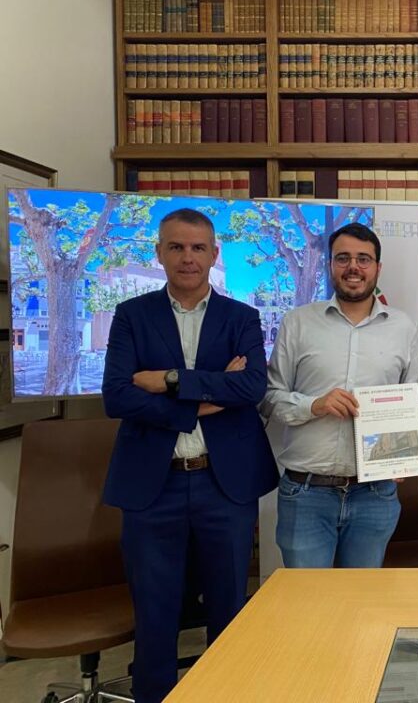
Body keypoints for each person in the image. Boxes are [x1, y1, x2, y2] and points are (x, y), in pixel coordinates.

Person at [102, 208, 278, 703]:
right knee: (155, 611)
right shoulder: (131, 315)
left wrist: (169, 380)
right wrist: (202, 401)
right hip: (151, 485)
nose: (187, 257)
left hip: (224, 485)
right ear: (159, 253)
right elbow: (117, 396)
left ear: (214, 254)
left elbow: (251, 387)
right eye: (176, 247)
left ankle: (227, 695)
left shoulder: (241, 317)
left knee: (229, 608)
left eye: (198, 248)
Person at [261, 223, 418, 568]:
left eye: (363, 259)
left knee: (362, 597)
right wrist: (314, 405)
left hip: (375, 494)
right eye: (343, 258)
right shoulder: (297, 322)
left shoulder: (403, 328)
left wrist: (405, 450)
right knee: (308, 597)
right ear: (330, 265)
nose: (354, 267)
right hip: (307, 494)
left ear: (378, 268)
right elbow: (269, 397)